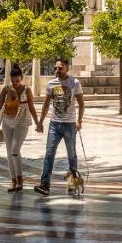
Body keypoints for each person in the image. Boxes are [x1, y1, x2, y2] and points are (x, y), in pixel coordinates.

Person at [0, 65, 42, 192]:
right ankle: (13, 180)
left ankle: (20, 179)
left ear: (21, 78)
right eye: (13, 81)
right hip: (7, 122)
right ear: (10, 79)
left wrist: (38, 123)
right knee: (9, 152)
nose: (15, 83)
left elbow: (31, 107)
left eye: (18, 81)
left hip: (22, 122)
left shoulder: (27, 90)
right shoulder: (5, 89)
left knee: (15, 150)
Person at [34, 58, 85, 195]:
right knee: (49, 154)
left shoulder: (74, 83)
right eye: (55, 68)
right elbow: (46, 104)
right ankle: (45, 185)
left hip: (69, 124)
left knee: (72, 155)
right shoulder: (51, 84)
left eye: (60, 68)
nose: (57, 70)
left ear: (67, 68)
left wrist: (79, 121)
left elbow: (81, 103)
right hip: (54, 124)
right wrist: (40, 122)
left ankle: (73, 183)